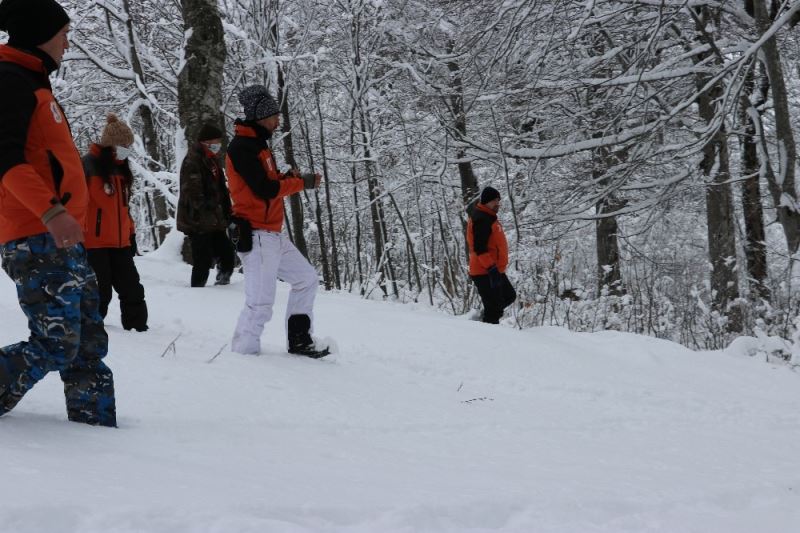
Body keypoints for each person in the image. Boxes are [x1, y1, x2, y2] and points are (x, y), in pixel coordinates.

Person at [0, 0, 116, 426]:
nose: (69, 42)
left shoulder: (36, 84)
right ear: (39, 33)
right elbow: (5, 158)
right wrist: (52, 213)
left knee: (87, 341)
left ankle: (97, 432)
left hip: (62, 237)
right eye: (64, 33)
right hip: (35, 234)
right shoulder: (10, 80)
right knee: (56, 342)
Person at [226, 84, 328, 358]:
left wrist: (287, 178)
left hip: (272, 233)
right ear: (260, 117)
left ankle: (299, 341)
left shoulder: (259, 146)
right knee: (260, 303)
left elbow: (268, 184)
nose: (278, 121)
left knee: (306, 279)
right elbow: (264, 190)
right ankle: (243, 356)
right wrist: (299, 183)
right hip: (257, 235)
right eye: (274, 116)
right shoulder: (241, 148)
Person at [83, 113, 148, 331]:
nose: (127, 150)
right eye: (123, 145)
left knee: (132, 288)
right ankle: (91, 329)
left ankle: (138, 329)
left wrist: (130, 234)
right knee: (100, 292)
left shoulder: (121, 168)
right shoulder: (88, 166)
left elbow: (124, 209)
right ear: (110, 145)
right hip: (93, 243)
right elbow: (75, 205)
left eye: (128, 145)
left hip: (120, 243)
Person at [177, 123, 235, 287]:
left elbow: (220, 188)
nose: (219, 145)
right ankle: (197, 292)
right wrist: (210, 205)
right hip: (197, 221)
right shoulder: (193, 161)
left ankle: (223, 285)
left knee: (227, 254)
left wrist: (226, 209)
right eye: (216, 141)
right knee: (202, 260)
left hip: (215, 220)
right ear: (206, 142)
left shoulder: (213, 160)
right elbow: (193, 192)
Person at [467, 186, 516, 324]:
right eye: (495, 200)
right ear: (487, 201)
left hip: (494, 270)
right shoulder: (482, 219)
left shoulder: (488, 216)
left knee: (509, 296)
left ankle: (485, 318)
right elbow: (480, 248)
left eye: (499, 200)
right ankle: (487, 333)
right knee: (494, 308)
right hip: (485, 271)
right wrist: (491, 268)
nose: (498, 203)